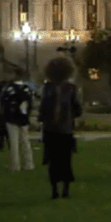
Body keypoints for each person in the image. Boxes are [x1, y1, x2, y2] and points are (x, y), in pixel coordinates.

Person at [39, 57, 81, 200]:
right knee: (65, 160)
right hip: (65, 130)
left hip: (50, 129)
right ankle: (65, 190)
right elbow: (77, 108)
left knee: (52, 161)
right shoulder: (71, 88)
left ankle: (55, 190)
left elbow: (43, 107)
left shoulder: (47, 87)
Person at [1, 68, 34, 171]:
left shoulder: (9, 88)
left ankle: (15, 165)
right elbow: (30, 104)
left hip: (11, 118)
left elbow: (3, 101)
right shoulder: (27, 89)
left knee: (14, 142)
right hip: (23, 118)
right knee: (25, 141)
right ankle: (29, 164)